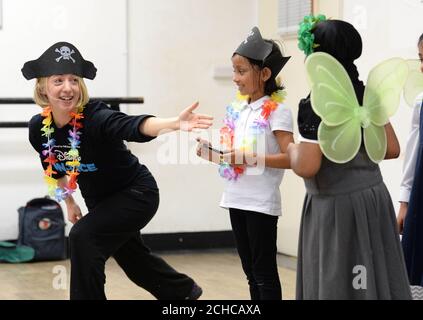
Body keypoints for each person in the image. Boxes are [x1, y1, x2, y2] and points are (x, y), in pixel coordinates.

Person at [23, 41, 212, 300]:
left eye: (74, 80)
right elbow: (53, 167)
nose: (68, 88)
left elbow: (132, 125)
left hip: (136, 193)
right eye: (58, 81)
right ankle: (183, 294)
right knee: (134, 261)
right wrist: (68, 202)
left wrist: (174, 123)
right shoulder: (39, 128)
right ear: (43, 88)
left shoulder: (96, 117)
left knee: (82, 238)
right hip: (101, 202)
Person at [287, 16, 412, 299]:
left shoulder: (316, 104)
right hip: (373, 199)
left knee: (340, 281)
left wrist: (291, 148)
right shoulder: (368, 94)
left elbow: (307, 165)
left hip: (336, 208)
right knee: (369, 277)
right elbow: (391, 148)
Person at [196, 27, 294, 300]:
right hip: (236, 199)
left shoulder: (278, 111)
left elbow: (291, 158)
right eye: (234, 71)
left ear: (264, 74)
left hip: (261, 203)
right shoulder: (238, 109)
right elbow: (234, 158)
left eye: (241, 71)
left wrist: (249, 157)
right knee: (250, 271)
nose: (235, 78)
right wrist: (212, 154)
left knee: (264, 272)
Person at [397, 33, 423, 287]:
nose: (421, 67)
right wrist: (405, 202)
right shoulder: (421, 101)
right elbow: (414, 151)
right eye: (420, 58)